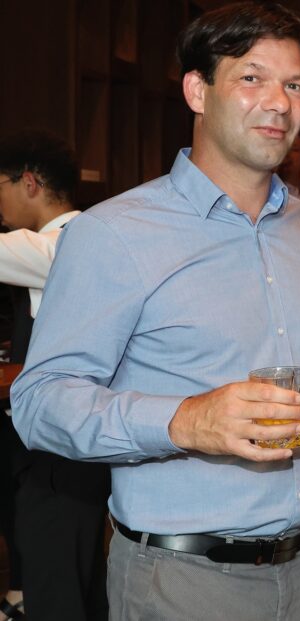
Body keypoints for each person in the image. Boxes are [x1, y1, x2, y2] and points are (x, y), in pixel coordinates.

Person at [11, 3, 300, 620]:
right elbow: (39, 402)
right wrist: (185, 421)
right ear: (196, 91)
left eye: (295, 86)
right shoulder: (116, 233)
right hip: (181, 581)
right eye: (252, 78)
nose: (279, 103)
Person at [0, 129, 108, 621]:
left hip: (60, 458)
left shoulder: (68, 243)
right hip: (70, 451)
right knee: (80, 588)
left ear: (29, 183)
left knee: (57, 593)